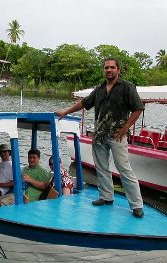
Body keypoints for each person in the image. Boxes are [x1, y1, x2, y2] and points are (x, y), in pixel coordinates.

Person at [55, 57, 145, 218]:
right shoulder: (100, 89)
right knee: (102, 168)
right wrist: (65, 112)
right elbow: (84, 103)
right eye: (106, 68)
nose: (109, 70)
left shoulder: (127, 87)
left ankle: (137, 205)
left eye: (112, 67)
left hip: (118, 135)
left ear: (118, 70)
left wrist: (125, 128)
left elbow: (138, 109)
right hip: (100, 135)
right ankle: (106, 196)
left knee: (124, 169)